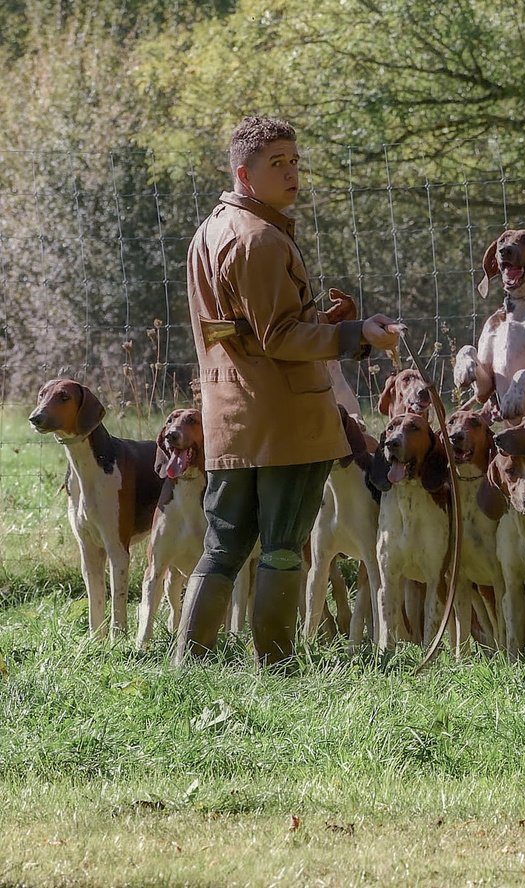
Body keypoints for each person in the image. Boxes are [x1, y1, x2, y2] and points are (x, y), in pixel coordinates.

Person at [175, 116, 404, 668]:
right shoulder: (258, 238)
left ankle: (188, 668)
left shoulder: (214, 228)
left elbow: (250, 329)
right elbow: (278, 336)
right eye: (276, 163)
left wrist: (325, 323)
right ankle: (277, 671)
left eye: (295, 161)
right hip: (286, 421)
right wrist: (355, 335)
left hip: (233, 416)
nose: (291, 172)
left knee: (224, 546)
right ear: (243, 173)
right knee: (280, 545)